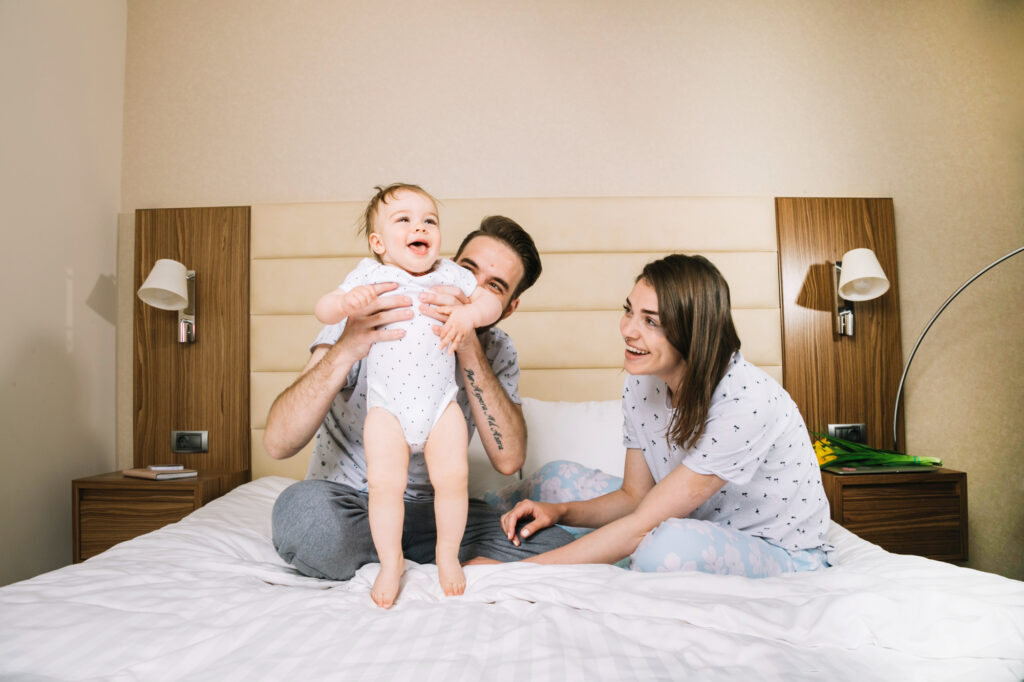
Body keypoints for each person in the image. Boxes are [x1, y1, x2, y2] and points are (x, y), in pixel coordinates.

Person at [266, 197, 574, 607]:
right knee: (307, 520)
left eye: (494, 286)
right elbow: (278, 443)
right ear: (447, 262)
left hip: (439, 510)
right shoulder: (371, 305)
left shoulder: (496, 346)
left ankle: (434, 554)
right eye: (469, 271)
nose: (475, 288)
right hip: (352, 503)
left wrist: (469, 347)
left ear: (508, 306)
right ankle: (394, 556)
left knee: (551, 542)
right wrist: (347, 346)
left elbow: (508, 460)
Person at [486, 254, 832, 577]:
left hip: (777, 551)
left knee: (664, 546)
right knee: (555, 480)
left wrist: (511, 575)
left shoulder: (747, 401)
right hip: (684, 517)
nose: (628, 330)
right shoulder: (642, 382)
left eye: (650, 321)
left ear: (693, 332)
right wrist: (559, 512)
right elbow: (634, 498)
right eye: (629, 311)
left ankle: (580, 558)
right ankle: (474, 519)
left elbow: (641, 525)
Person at [311, 184, 503, 606]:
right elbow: (323, 309)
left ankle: (447, 555)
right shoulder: (370, 274)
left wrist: (470, 313)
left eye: (429, 220)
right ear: (378, 243)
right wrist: (347, 301)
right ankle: (391, 561)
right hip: (387, 409)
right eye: (404, 220)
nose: (420, 227)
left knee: (453, 482)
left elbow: (490, 304)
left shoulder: (451, 274)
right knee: (384, 487)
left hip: (441, 408)